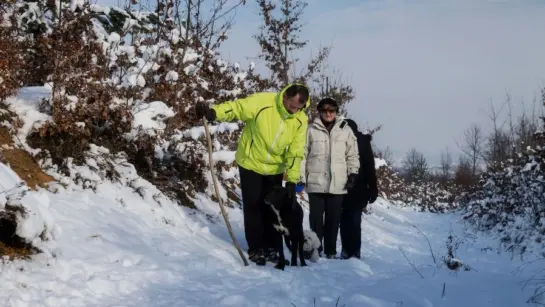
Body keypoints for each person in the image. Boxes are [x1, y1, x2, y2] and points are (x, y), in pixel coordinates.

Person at [195, 83, 310, 266]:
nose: (294, 110)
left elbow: (296, 151)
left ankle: (272, 247)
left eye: (298, 108)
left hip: (275, 168)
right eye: (292, 106)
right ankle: (256, 248)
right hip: (250, 162)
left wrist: (292, 179)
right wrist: (214, 112)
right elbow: (237, 108)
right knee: (254, 205)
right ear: (285, 97)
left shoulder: (300, 119)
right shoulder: (263, 102)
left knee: (273, 209)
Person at [299, 98, 360, 258]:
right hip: (315, 182)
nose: (328, 113)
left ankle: (331, 251)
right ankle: (315, 251)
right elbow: (302, 155)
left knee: (333, 221)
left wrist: (353, 173)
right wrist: (301, 177)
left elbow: (352, 155)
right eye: (325, 110)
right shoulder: (310, 130)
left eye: (331, 110)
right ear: (319, 111)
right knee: (316, 220)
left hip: (338, 183)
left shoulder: (345, 130)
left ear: (336, 112)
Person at [340, 118, 379, 260]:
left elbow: (369, 167)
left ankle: (353, 251)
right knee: (347, 221)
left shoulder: (362, 142)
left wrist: (373, 188)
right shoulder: (339, 141)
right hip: (343, 188)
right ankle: (348, 250)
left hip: (357, 189)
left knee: (352, 221)